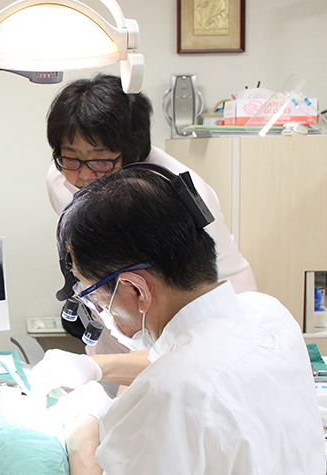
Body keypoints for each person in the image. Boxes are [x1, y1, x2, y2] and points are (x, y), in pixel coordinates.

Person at [33, 166, 325, 474]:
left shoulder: (165, 397)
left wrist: (83, 430)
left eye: (92, 294)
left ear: (136, 289)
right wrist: (96, 368)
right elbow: (194, 359)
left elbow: (181, 378)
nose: (96, 309)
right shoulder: (269, 314)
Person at [45, 73, 257, 394]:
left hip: (196, 331)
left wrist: (102, 367)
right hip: (121, 321)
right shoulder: (62, 181)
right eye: (70, 157)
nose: (84, 175)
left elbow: (196, 326)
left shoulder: (179, 200)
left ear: (134, 153)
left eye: (100, 160)